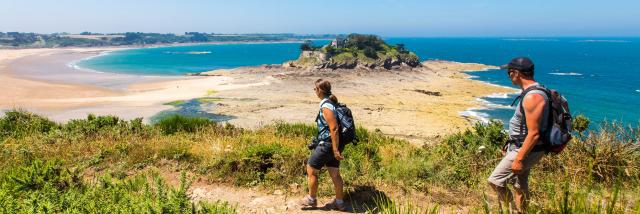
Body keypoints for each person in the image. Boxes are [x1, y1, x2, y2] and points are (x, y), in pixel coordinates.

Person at [488, 57, 549, 213]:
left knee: (495, 181)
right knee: (520, 185)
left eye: (509, 72)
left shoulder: (532, 96)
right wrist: (511, 144)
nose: (508, 76)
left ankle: (512, 211)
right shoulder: (534, 91)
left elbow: (534, 133)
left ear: (516, 73)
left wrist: (519, 158)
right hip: (522, 147)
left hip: (525, 150)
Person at [299, 79, 346, 211]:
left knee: (311, 169)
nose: (314, 91)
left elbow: (334, 128)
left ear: (319, 90)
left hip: (328, 144)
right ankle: (339, 202)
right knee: (335, 173)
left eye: (315, 89)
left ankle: (311, 199)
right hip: (334, 144)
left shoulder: (326, 106)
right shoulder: (332, 103)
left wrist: (335, 149)